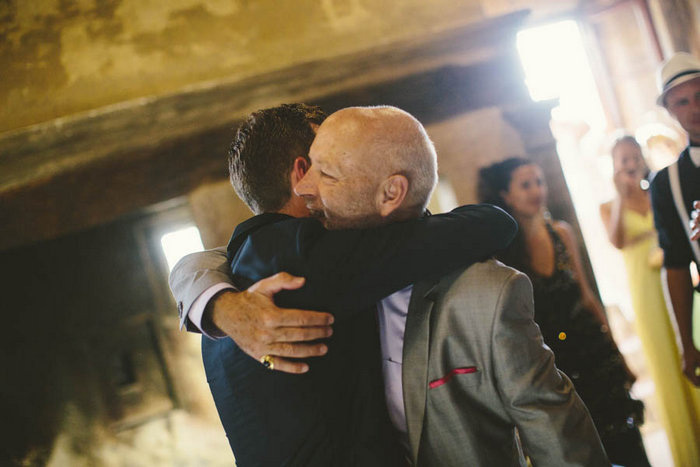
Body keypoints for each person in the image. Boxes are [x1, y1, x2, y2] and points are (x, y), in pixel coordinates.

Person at [172, 105, 607, 465]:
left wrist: (212, 300)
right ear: (300, 173)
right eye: (325, 165)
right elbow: (487, 224)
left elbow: (552, 427)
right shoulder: (312, 262)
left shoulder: (227, 283)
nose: (315, 183)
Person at [478, 157, 649, 466]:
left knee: (626, 437)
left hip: (592, 349)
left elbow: (585, 296)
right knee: (577, 445)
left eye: (539, 182)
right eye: (526, 185)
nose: (536, 191)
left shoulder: (562, 233)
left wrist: (619, 353)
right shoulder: (503, 252)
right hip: (552, 361)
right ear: (506, 195)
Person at [600, 136, 700, 466]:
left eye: (633, 156)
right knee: (666, 364)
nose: (630, 163)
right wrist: (621, 193)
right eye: (622, 159)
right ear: (614, 166)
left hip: (673, 277)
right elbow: (616, 241)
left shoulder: (658, 189)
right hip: (645, 290)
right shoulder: (609, 205)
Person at [650, 51, 700, 387]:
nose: (694, 110)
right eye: (681, 103)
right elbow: (677, 264)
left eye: (699, 96)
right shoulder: (667, 183)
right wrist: (687, 343)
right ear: (669, 111)